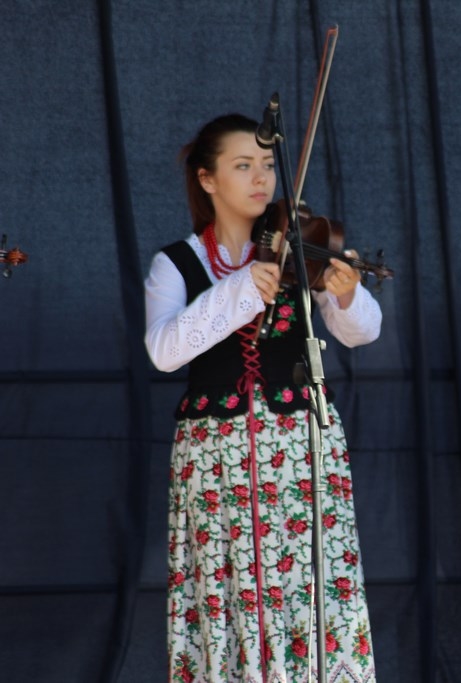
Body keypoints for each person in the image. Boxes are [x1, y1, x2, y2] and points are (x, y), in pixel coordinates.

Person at [144, 113, 381, 682]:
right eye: (243, 166)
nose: (261, 179)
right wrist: (239, 288)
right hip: (214, 456)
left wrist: (347, 296)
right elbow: (164, 350)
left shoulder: (300, 250)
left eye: (269, 166)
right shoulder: (175, 263)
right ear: (207, 179)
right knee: (227, 588)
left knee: (312, 587)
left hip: (301, 448)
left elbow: (362, 332)